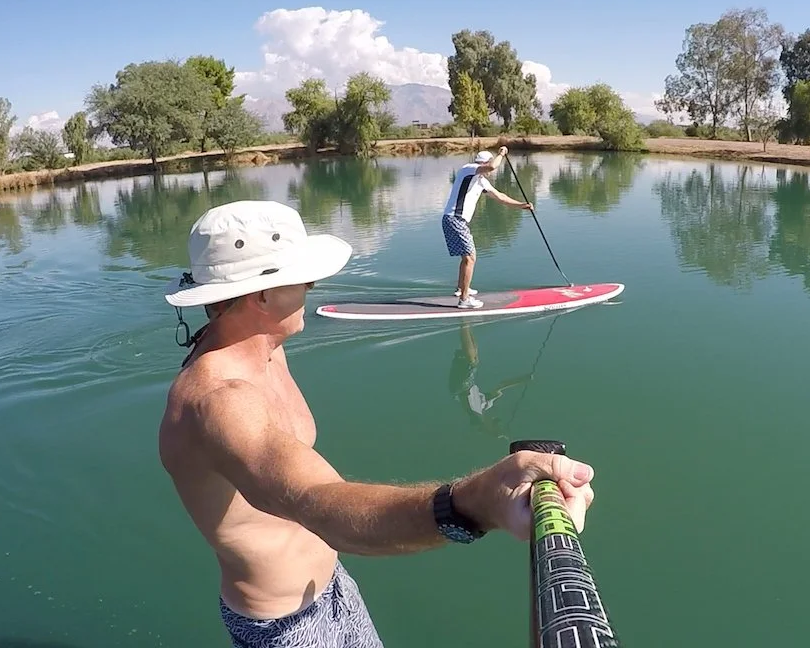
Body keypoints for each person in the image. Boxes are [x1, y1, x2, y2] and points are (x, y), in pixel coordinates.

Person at [158, 199, 595, 648]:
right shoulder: (219, 403)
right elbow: (321, 504)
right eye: (301, 276)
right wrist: (478, 503)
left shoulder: (264, 345)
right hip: (286, 627)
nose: (311, 283)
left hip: (333, 588)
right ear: (262, 294)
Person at [441, 146, 533, 309]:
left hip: (457, 221)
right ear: (484, 162)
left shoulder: (481, 181)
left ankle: (461, 289)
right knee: (470, 257)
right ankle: (464, 300)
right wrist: (501, 154)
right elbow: (492, 166)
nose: (492, 171)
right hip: (455, 219)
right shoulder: (468, 170)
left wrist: (522, 206)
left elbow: (501, 197)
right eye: (489, 164)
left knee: (466, 257)